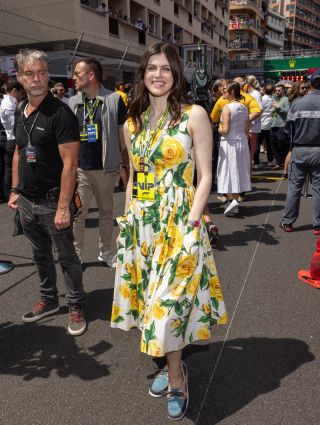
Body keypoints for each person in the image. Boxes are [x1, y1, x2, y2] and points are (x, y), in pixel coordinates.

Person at [111, 42, 227, 421]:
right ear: (142, 74)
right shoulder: (132, 123)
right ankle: (167, 365)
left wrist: (195, 223)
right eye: (152, 68)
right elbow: (135, 180)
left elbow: (205, 176)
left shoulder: (194, 115)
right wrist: (126, 221)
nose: (158, 75)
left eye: (166, 68)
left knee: (166, 307)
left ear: (177, 75)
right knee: (149, 306)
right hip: (143, 225)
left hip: (180, 221)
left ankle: (177, 375)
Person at [8, 49, 86, 335]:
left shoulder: (61, 113)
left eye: (41, 72)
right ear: (20, 78)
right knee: (40, 255)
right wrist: (15, 190)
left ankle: (76, 305)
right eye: (29, 74)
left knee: (67, 257)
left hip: (54, 201)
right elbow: (19, 151)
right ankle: (50, 299)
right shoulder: (20, 111)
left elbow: (70, 164)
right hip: (27, 201)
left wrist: (64, 206)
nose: (37, 79)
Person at [68, 57, 128, 266]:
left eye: (77, 73)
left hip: (106, 168)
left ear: (90, 76)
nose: (73, 77)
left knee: (106, 213)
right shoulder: (73, 102)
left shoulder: (113, 100)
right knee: (78, 214)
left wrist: (125, 164)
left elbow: (123, 135)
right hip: (81, 168)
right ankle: (76, 255)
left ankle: (107, 252)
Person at [280, 70, 320, 234]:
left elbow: (288, 128)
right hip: (319, 150)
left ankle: (288, 222)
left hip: (299, 150)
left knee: (294, 187)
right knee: (318, 188)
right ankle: (318, 224)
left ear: (310, 84)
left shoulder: (297, 103)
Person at [217, 81, 251, 216]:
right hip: (241, 142)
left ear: (231, 92)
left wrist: (218, 129)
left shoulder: (227, 108)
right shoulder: (244, 107)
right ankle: (234, 201)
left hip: (229, 142)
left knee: (226, 170)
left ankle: (232, 200)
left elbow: (225, 130)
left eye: (225, 90)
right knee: (238, 170)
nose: (222, 92)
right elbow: (247, 128)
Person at [0, 77, 25, 201]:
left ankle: (8, 192)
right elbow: (14, 124)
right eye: (21, 93)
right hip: (12, 139)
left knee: (9, 167)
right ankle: (10, 192)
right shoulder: (9, 104)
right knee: (12, 167)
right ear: (14, 90)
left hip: (9, 138)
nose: (21, 96)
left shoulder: (9, 102)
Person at [253, 83, 274, 168]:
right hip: (270, 124)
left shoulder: (261, 99)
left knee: (257, 144)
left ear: (264, 90)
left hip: (260, 124)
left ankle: (256, 163)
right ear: (272, 91)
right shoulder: (273, 99)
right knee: (269, 145)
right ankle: (270, 160)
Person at [270, 84, 290, 169]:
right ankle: (278, 163)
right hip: (273, 125)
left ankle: (283, 161)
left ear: (283, 91)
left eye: (279, 90)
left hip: (282, 125)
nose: (277, 92)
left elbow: (288, 111)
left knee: (281, 143)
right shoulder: (273, 98)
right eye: (276, 90)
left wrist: (279, 108)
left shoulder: (286, 99)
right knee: (273, 144)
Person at [246, 75, 263, 166]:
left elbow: (259, 110)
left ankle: (249, 169)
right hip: (250, 126)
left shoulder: (255, 94)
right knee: (248, 150)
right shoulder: (251, 93)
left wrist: (248, 120)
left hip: (253, 126)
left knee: (250, 150)